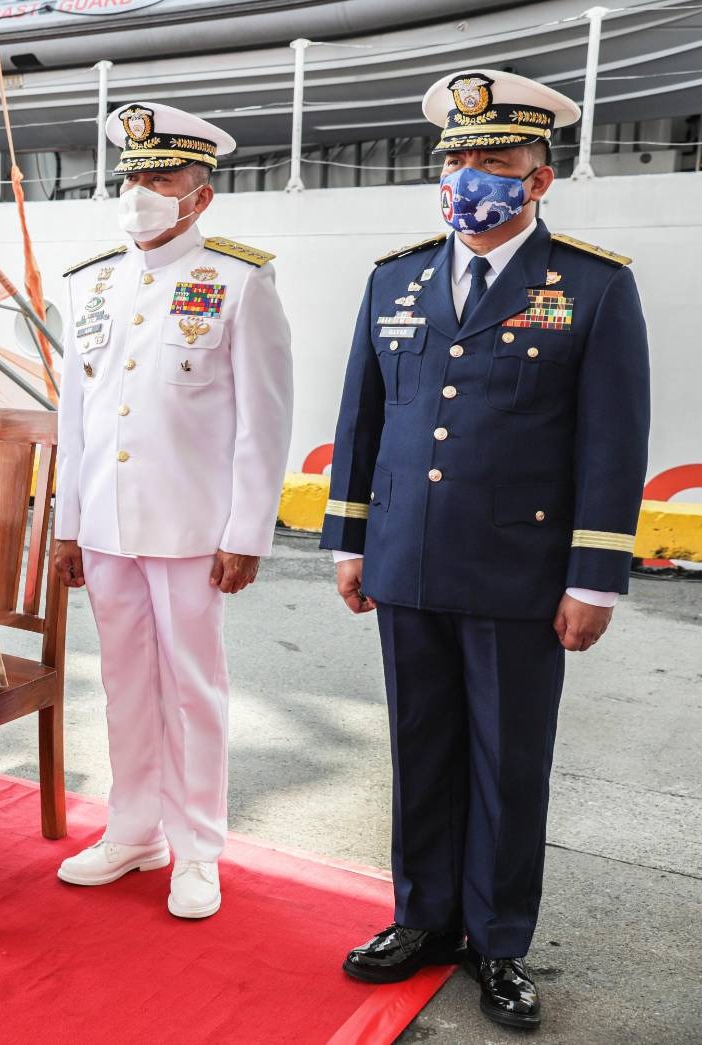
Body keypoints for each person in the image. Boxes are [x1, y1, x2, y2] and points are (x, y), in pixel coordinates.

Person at [322, 70, 649, 1031]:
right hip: (408, 560)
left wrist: (595, 576)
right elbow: (363, 417)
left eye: (495, 162)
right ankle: (423, 918)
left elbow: (611, 441)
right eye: (458, 160)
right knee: (421, 747)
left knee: (508, 759)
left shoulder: (593, 285)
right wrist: (350, 542)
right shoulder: (397, 275)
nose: (471, 178)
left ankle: (499, 939)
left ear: (539, 179)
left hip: (522, 571)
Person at [52, 102, 294, 920]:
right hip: (111, 529)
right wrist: (67, 526)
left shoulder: (239, 278)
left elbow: (265, 419)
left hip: (194, 529)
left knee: (196, 689)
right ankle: (134, 829)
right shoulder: (89, 282)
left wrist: (246, 532)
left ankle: (198, 849)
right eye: (132, 173)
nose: (140, 190)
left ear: (200, 196)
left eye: (160, 176)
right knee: (122, 682)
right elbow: (75, 418)